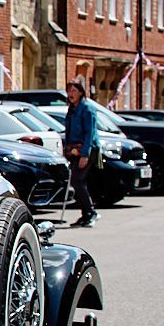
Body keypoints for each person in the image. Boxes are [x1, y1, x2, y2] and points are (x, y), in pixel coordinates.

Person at [62, 78, 100, 227]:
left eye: (74, 91)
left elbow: (90, 132)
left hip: (87, 149)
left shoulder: (87, 108)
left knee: (77, 180)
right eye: (69, 91)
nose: (70, 94)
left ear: (81, 92)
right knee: (77, 181)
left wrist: (85, 154)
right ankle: (85, 214)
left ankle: (90, 212)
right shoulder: (71, 109)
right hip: (74, 149)